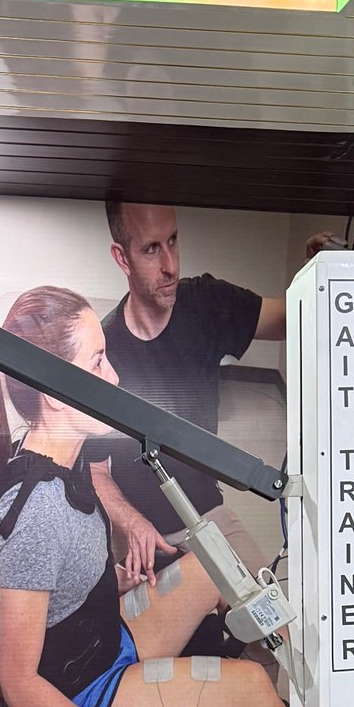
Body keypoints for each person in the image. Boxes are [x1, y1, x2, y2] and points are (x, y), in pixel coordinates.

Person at [0, 286, 290, 707]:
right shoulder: (38, 512)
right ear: (57, 392)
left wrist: (108, 579)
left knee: (212, 564)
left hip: (99, 641)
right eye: (98, 362)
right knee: (252, 687)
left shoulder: (60, 466)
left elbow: (53, 583)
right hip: (86, 694)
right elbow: (18, 685)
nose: (113, 378)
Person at [89, 199, 285, 580]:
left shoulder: (206, 304)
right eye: (151, 249)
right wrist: (131, 523)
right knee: (136, 620)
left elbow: (293, 318)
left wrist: (318, 274)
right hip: (138, 534)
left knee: (269, 612)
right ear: (122, 258)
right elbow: (95, 471)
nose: (171, 266)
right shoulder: (104, 351)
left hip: (205, 515)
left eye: (173, 241)